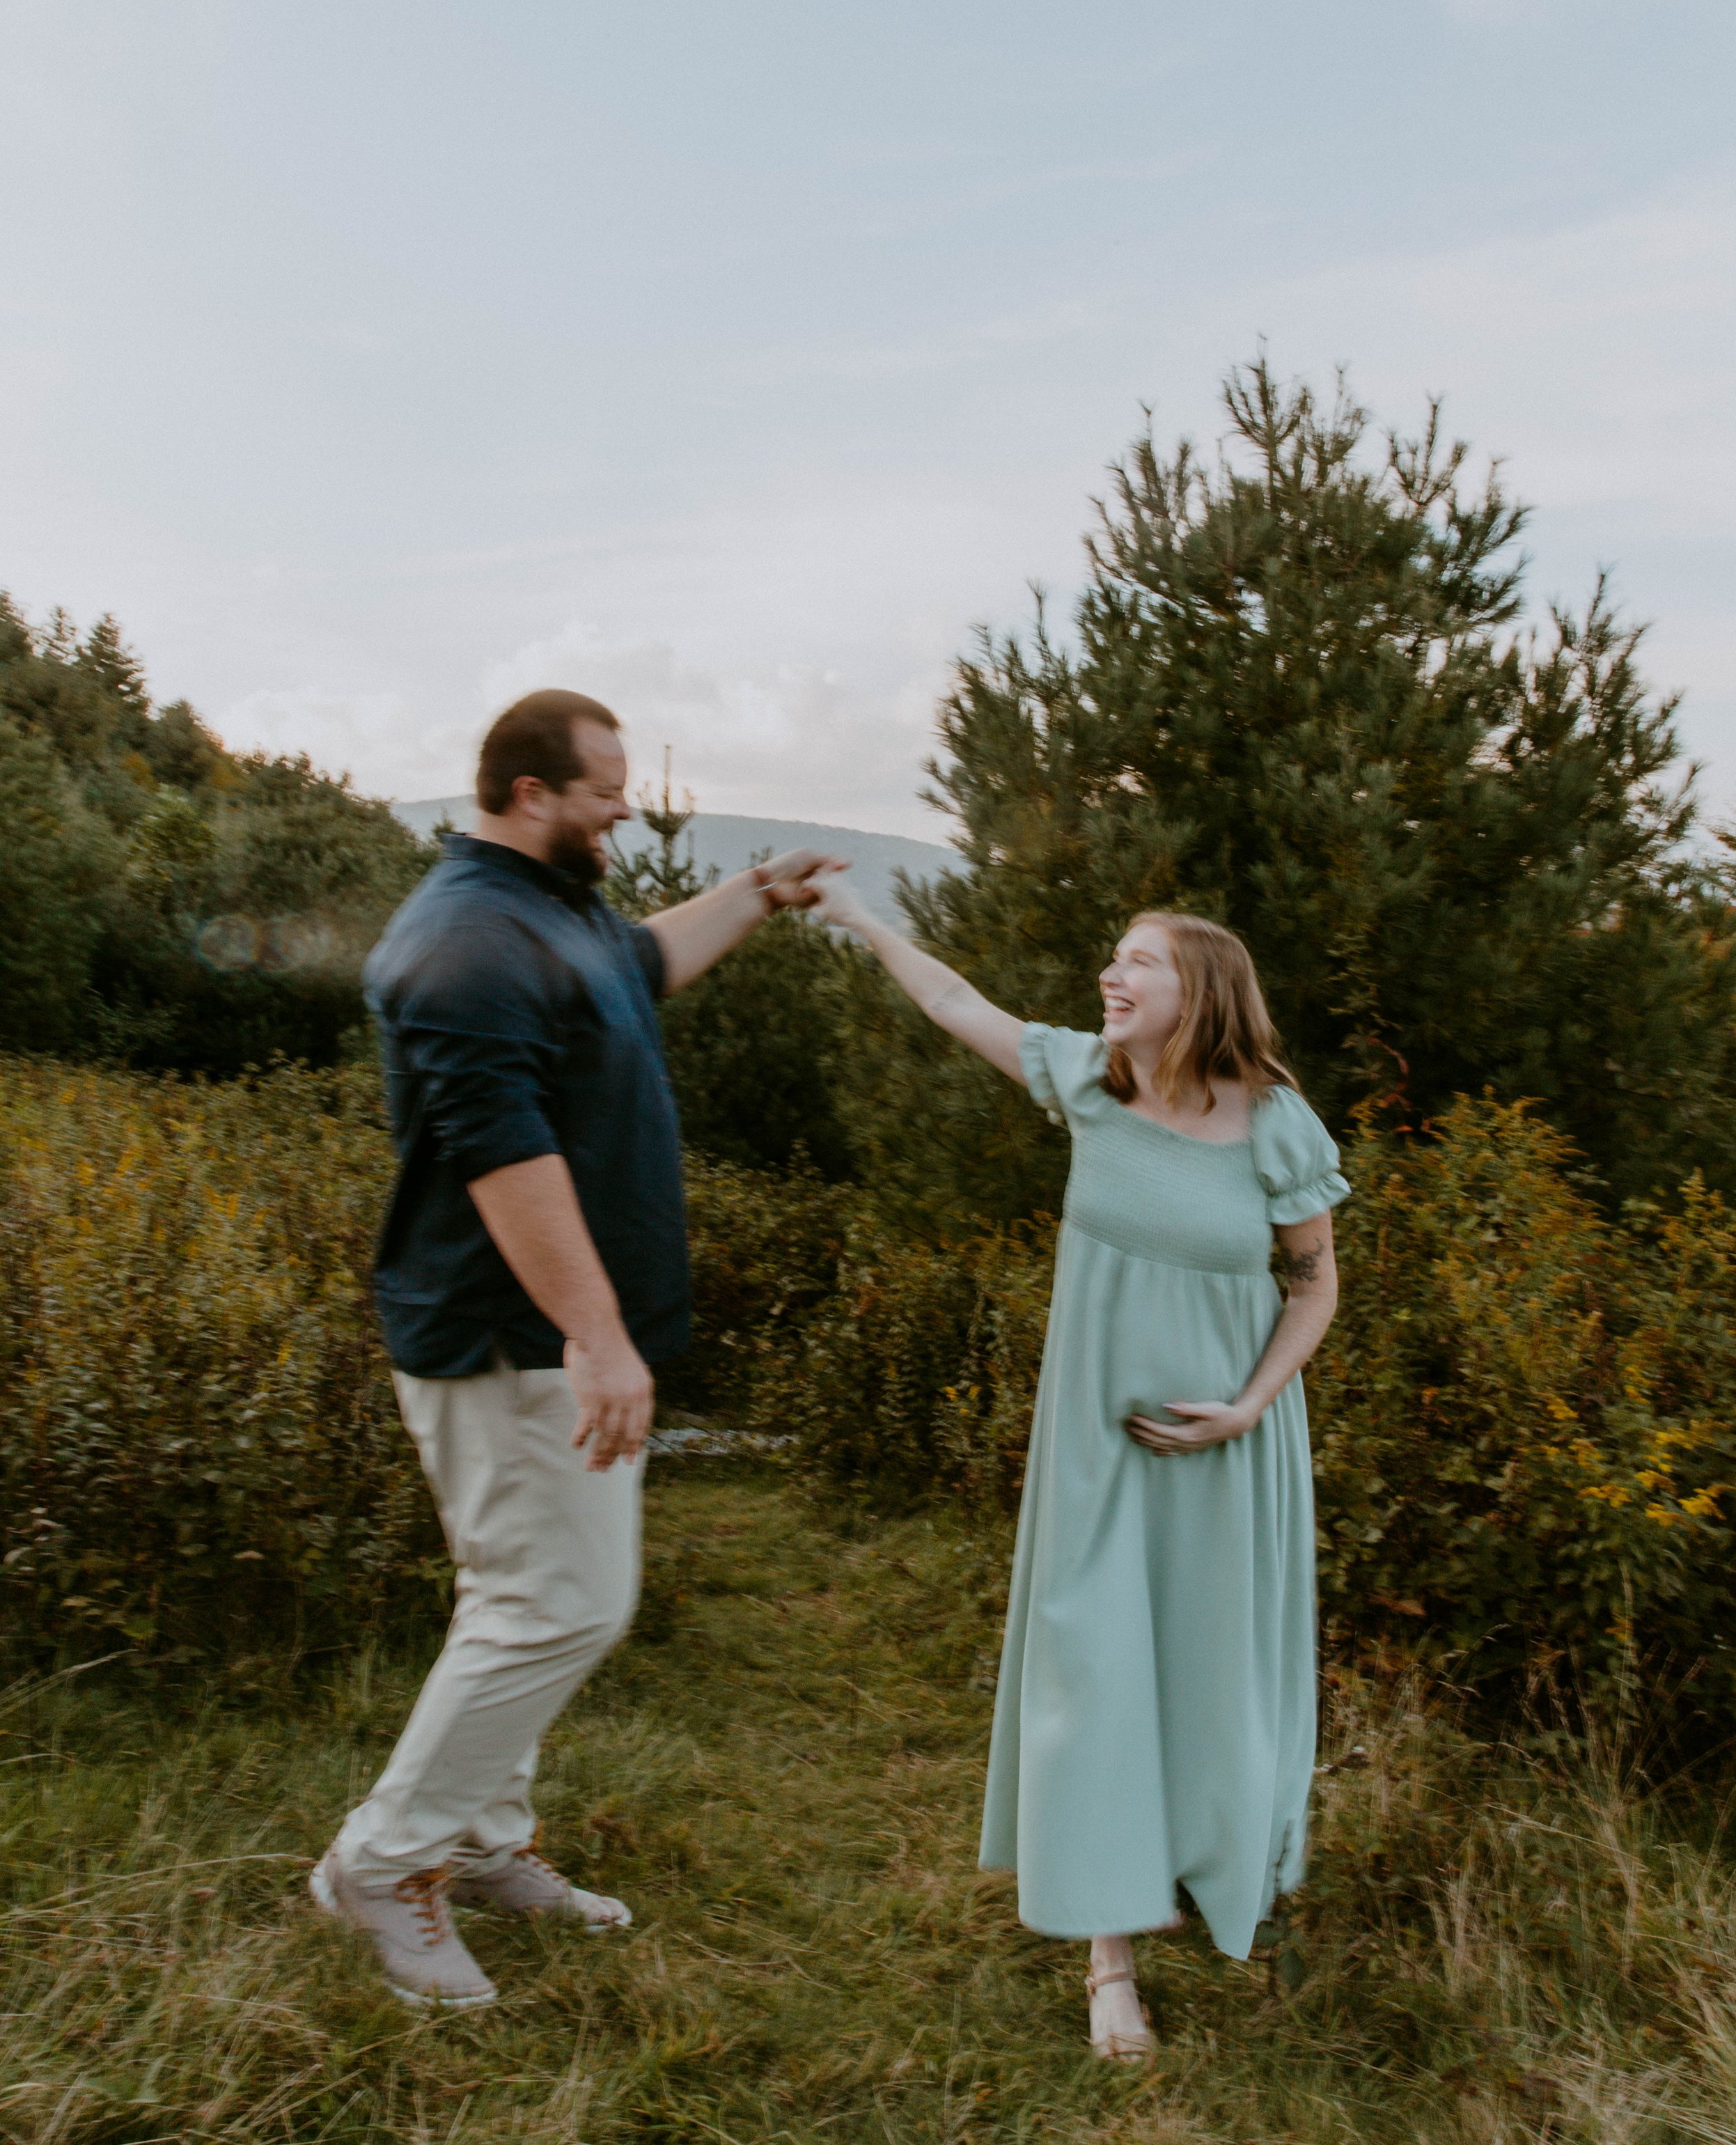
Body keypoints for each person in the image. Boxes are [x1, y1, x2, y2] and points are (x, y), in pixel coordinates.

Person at [312, 689, 838, 2008]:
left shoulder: (546, 905)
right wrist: (593, 1337)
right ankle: (385, 1865)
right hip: (505, 1340)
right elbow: (502, 1155)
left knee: (532, 1595)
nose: (626, 804)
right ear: (532, 788)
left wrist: (757, 895)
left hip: (560, 1340)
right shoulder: (460, 941)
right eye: (605, 786)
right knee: (558, 1605)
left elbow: (635, 966)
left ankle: (485, 1846)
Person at [807, 877, 1348, 2061]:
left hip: (1226, 1456)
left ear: (1197, 990)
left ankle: (1218, 1875)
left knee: (1208, 1676)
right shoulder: (1085, 1083)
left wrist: (1251, 1405)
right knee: (1098, 1670)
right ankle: (1112, 1962)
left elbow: (1315, 1284)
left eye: (1136, 961)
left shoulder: (1275, 1123)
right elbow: (954, 999)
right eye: (1114, 956)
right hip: (1098, 1456)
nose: (1111, 975)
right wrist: (860, 919)